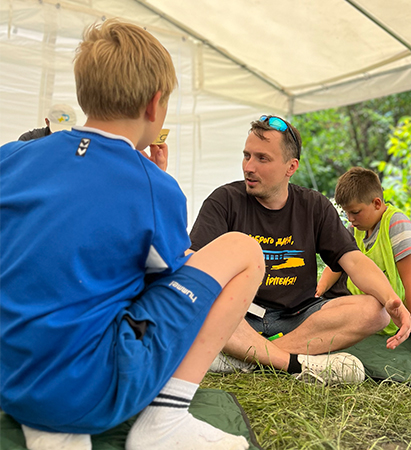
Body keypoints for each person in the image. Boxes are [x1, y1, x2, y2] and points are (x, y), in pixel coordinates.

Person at [0, 19, 263, 450]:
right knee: (243, 249)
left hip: (12, 379)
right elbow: (165, 285)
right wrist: (156, 185)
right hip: (94, 392)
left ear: (85, 92)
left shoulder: (12, 157)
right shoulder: (153, 186)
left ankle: (47, 418)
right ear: (154, 104)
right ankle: (167, 418)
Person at [189, 115, 411, 385]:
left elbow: (354, 260)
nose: (249, 167)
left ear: (291, 167)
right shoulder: (224, 200)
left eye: (262, 158)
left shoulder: (313, 206)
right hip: (239, 317)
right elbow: (195, 265)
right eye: (247, 156)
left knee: (375, 311)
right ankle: (291, 361)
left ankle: (250, 357)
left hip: (298, 319)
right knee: (204, 305)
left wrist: (392, 301)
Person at [316, 167, 411, 367]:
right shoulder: (354, 229)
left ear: (377, 203)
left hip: (388, 314)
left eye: (355, 212)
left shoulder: (397, 224)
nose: (350, 218)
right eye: (347, 213)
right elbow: (336, 264)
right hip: (357, 305)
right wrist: (319, 290)